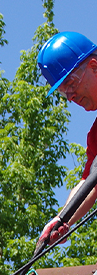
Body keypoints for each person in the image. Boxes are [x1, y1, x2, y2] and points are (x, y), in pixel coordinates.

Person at [37, 32, 97, 249]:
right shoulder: (96, 135)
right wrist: (62, 219)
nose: (70, 97)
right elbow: (91, 183)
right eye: (64, 92)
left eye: (71, 84)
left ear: (94, 66)